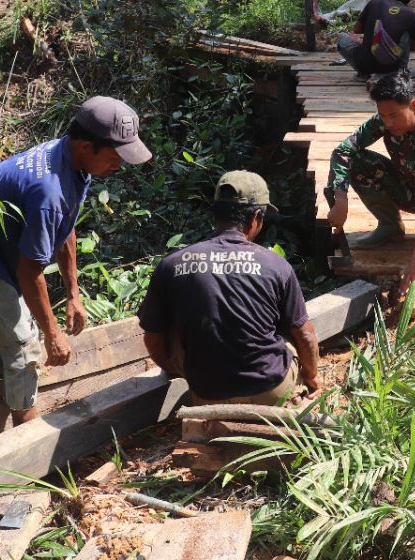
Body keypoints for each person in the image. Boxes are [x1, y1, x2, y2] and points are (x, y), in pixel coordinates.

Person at [0, 97, 152, 424]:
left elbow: (65, 227)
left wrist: (74, 295)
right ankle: (24, 447)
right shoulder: (48, 190)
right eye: (115, 156)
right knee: (25, 348)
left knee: (26, 333)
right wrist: (52, 334)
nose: (118, 165)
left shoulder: (71, 160)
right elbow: (29, 272)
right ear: (87, 146)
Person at [138, 171, 322, 405]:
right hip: (271, 391)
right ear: (256, 217)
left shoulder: (171, 265)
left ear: (216, 213)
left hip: (208, 394)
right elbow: (305, 335)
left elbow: (153, 339)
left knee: (170, 328)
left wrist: (183, 372)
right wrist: (312, 377)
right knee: (289, 330)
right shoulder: (275, 264)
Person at [325, 72, 415, 294]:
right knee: (357, 161)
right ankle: (390, 226)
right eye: (383, 115)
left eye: (394, 115)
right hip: (405, 188)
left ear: (413, 105)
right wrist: (341, 199)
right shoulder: (385, 119)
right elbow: (343, 150)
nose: (388, 122)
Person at [336, 0, 415, 81]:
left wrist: (372, 32)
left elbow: (356, 29)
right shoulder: (410, 14)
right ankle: (401, 71)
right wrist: (392, 42)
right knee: (406, 34)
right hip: (392, 66)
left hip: (365, 64)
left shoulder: (374, 3)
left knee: (342, 40)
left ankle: (363, 74)